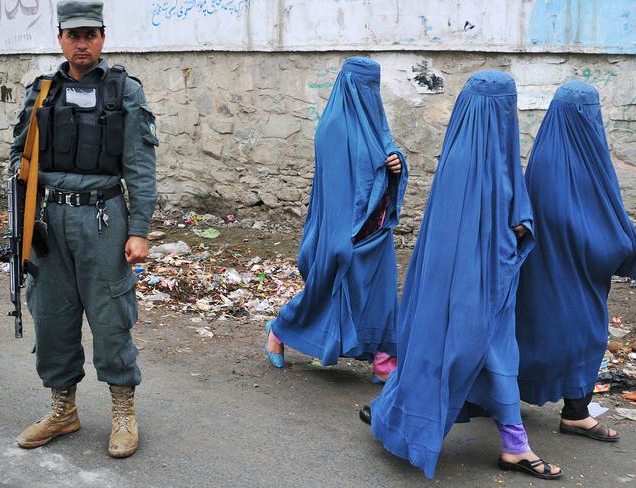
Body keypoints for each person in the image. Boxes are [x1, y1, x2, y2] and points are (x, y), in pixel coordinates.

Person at [361, 71, 562, 480]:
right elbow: (491, 230)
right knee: (471, 353)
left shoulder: (470, 152)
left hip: (482, 282)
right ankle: (509, 443)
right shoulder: (474, 160)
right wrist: (519, 231)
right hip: (475, 285)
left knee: (483, 354)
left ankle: (512, 443)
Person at [10, 0, 158, 458]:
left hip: (103, 220)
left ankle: (124, 413)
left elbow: (139, 165)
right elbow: (18, 158)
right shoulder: (42, 91)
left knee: (111, 319)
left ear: (102, 38)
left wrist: (140, 229)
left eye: (90, 34)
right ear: (59, 38)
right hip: (47, 223)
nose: (81, 43)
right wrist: (21, 220)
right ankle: (63, 410)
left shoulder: (123, 91)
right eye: (73, 35)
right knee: (52, 318)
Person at [264, 56, 408, 383]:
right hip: (343, 228)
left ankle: (384, 358)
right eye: (365, 87)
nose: (371, 93)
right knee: (323, 292)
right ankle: (280, 330)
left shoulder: (373, 122)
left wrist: (396, 164)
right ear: (350, 86)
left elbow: (386, 157)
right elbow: (337, 190)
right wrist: (340, 234)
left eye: (375, 87)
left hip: (376, 227)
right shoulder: (332, 129)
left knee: (382, 293)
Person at [515, 80, 636, 441]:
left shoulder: (546, 153)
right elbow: (590, 223)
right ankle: (575, 413)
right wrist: (622, 243)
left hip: (549, 270)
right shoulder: (576, 157)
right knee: (583, 334)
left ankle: (567, 410)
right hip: (571, 268)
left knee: (535, 332)